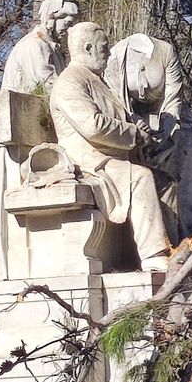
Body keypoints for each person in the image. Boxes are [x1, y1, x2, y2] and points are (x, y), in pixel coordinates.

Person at [0, 0, 79, 285]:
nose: (70, 25)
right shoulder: (34, 47)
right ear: (51, 17)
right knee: (3, 208)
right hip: (13, 142)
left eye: (73, 20)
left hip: (31, 138)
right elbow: (55, 90)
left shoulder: (51, 49)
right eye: (66, 19)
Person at [50, 22, 171, 271]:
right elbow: (93, 126)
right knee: (140, 178)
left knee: (166, 181)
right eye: (104, 48)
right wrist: (133, 133)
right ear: (88, 48)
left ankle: (174, 246)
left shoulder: (95, 80)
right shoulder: (70, 82)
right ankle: (154, 256)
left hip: (112, 156)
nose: (108, 53)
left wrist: (139, 127)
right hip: (89, 160)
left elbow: (120, 115)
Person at [105, 33, 192, 244]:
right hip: (136, 126)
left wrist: (165, 131)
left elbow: (173, 97)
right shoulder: (115, 55)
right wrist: (135, 123)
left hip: (175, 121)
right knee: (151, 184)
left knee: (187, 186)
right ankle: (160, 242)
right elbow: (116, 100)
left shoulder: (165, 51)